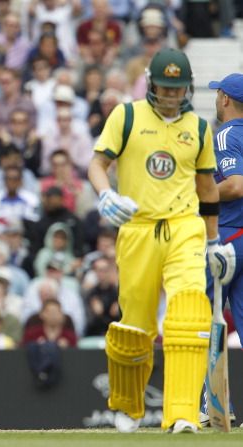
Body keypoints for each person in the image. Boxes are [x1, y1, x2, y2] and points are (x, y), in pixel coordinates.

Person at [87, 48, 235, 434]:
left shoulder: (199, 128)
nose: (171, 96)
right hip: (137, 228)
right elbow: (97, 164)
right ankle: (127, 404)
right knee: (135, 328)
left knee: (189, 309)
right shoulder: (127, 115)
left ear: (187, 88)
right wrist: (106, 194)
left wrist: (214, 241)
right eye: (165, 88)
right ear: (152, 85)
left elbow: (207, 188)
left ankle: (183, 412)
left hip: (184, 227)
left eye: (178, 89)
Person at [200, 73, 243, 426]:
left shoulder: (227, 134)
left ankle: (209, 406)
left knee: (206, 320)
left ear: (226, 99)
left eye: (217, 93)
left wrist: (194, 196)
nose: (216, 99)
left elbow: (234, 185)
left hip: (227, 237)